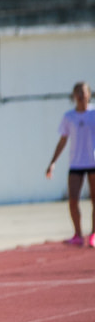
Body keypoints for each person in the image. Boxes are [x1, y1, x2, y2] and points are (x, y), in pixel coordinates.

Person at [45, 81, 95, 247]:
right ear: (74, 96)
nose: (81, 96)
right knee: (73, 200)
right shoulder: (69, 117)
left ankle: (93, 234)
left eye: (84, 92)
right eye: (78, 92)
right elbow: (63, 141)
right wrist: (52, 162)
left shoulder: (94, 113)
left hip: (93, 162)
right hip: (76, 164)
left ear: (89, 94)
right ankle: (78, 234)